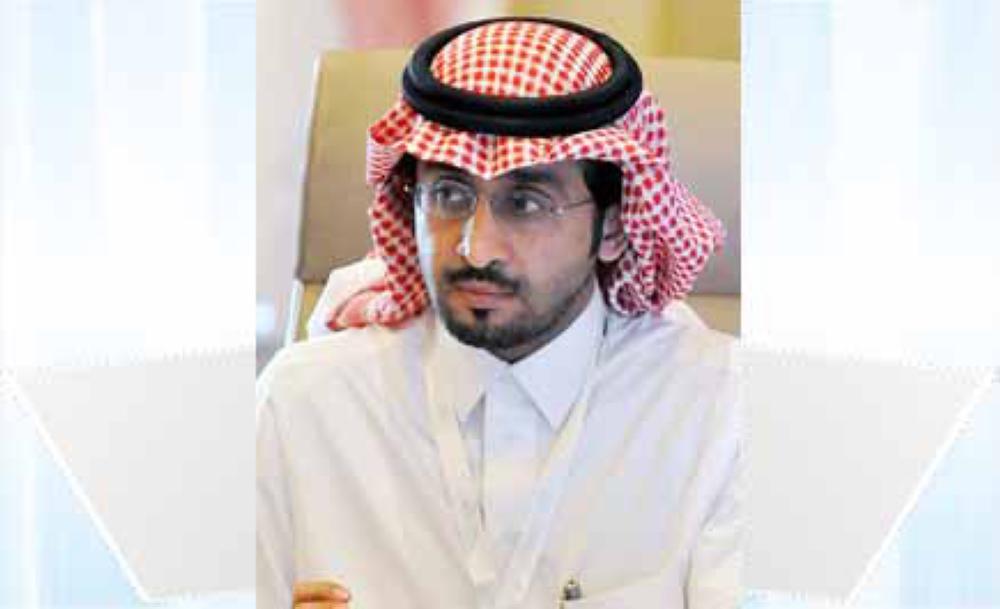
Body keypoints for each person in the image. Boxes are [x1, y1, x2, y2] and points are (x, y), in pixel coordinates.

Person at [257, 17, 740, 609]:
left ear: (614, 226)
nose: (476, 247)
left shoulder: (716, 413)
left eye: (527, 202)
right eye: (449, 195)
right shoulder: (304, 405)